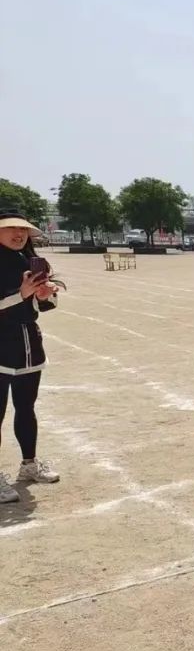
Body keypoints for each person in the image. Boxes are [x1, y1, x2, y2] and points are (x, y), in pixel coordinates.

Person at [0, 211, 63, 502]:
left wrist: (44, 294)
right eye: (10, 228)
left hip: (27, 345)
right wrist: (21, 293)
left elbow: (45, 306)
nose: (18, 234)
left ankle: (29, 464)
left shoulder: (30, 262)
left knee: (26, 407)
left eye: (22, 230)